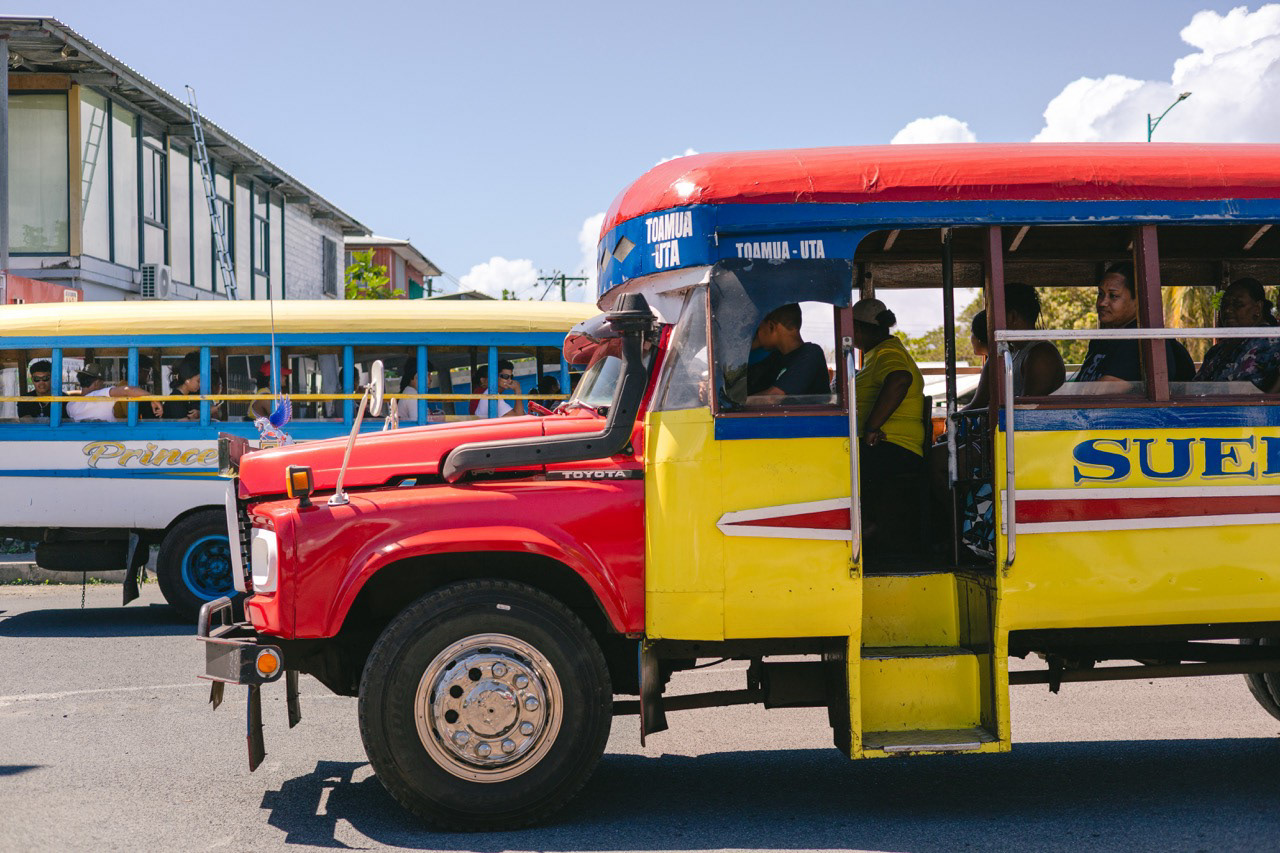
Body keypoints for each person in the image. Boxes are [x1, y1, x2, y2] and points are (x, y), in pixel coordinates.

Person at [852, 298, 925, 554]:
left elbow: (899, 380)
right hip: (888, 445)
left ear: (857, 330)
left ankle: (865, 526)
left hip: (894, 446)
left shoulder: (887, 353)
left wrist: (872, 427)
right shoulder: (880, 353)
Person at [1072, 262, 1194, 384]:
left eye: (1113, 296)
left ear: (1138, 300)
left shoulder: (1139, 339)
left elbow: (1101, 392)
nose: (1102, 302)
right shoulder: (1104, 339)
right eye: (1101, 294)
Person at [963, 284, 1066, 409]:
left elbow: (1026, 412)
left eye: (994, 315)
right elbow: (979, 402)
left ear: (1012, 317)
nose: (990, 322)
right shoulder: (1011, 352)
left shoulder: (1041, 355)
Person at [1193, 277, 1280, 391]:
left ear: (1258, 308)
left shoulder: (1269, 342)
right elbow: (1196, 386)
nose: (1227, 310)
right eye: (1224, 305)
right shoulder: (1219, 349)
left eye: (1238, 304)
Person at [746, 303, 830, 400]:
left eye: (757, 330)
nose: (756, 337)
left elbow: (773, 397)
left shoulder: (811, 354)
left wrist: (736, 406)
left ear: (771, 327)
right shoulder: (776, 358)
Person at [66, 363, 162, 422]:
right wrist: (152, 398)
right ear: (96, 383)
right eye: (102, 384)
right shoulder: (101, 396)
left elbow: (83, 396)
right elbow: (127, 390)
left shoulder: (70, 405)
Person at [397, 359, 419, 423]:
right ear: (414, 377)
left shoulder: (410, 392)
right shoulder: (412, 394)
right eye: (428, 375)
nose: (430, 379)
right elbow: (417, 421)